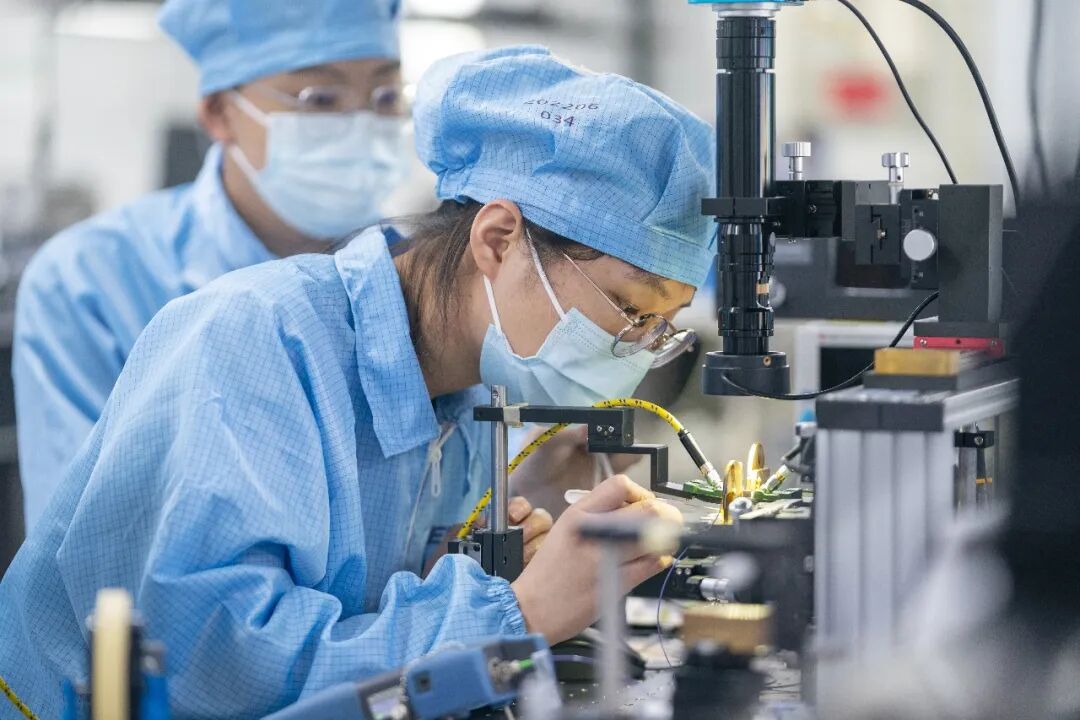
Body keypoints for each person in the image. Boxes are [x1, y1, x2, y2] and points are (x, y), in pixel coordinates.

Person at [0, 46, 712, 719]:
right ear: (498, 240)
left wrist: (468, 575)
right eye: (631, 310)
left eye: (663, 327)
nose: (640, 348)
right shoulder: (257, 339)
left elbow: (352, 610)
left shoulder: (468, 393)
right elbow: (211, 666)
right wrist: (515, 613)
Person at [13, 0, 411, 530]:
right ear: (220, 113)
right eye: (319, 98)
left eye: (386, 97)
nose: (361, 126)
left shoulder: (416, 279)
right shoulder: (91, 281)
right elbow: (91, 540)